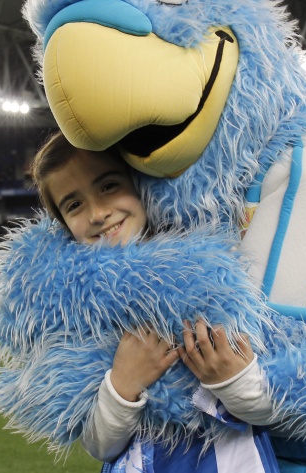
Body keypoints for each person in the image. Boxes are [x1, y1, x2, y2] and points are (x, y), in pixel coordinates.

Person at [29, 131, 280, 472]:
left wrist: (232, 380)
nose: (98, 213)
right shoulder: (77, 310)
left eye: (108, 186)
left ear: (138, 182)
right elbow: (99, 445)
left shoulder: (215, 271)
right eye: (74, 205)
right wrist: (122, 384)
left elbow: (275, 409)